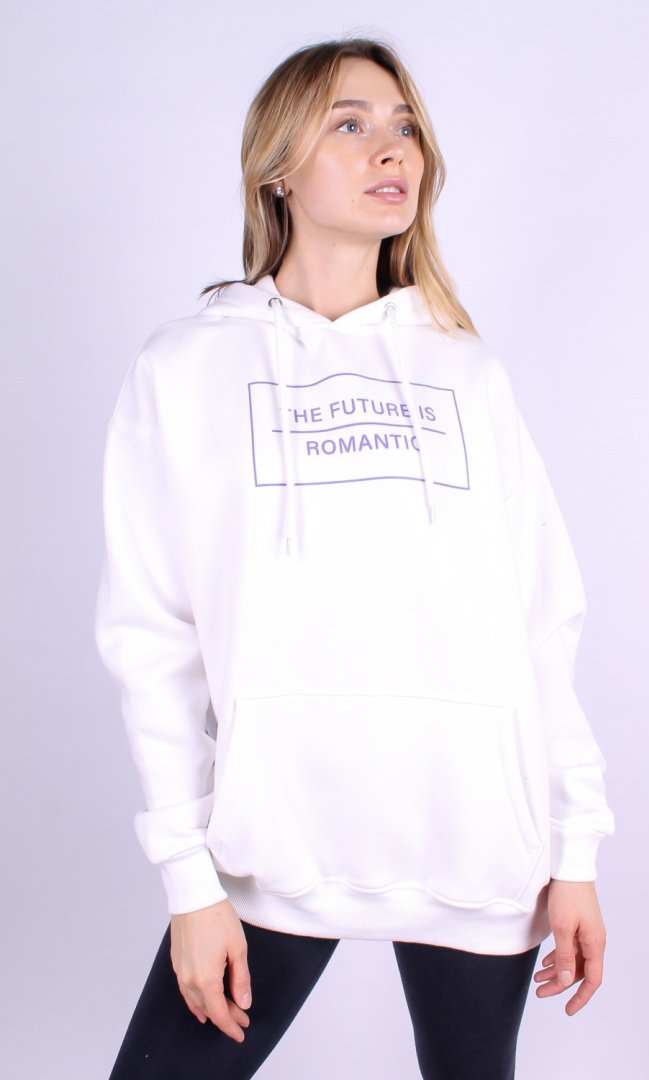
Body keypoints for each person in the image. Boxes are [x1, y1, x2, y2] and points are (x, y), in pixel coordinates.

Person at [95, 37, 615, 1080]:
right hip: (274, 851)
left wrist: (575, 852)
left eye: (405, 126)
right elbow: (152, 637)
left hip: (478, 849)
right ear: (276, 169)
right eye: (351, 123)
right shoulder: (186, 367)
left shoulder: (466, 372)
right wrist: (190, 881)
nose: (393, 149)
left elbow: (538, 625)